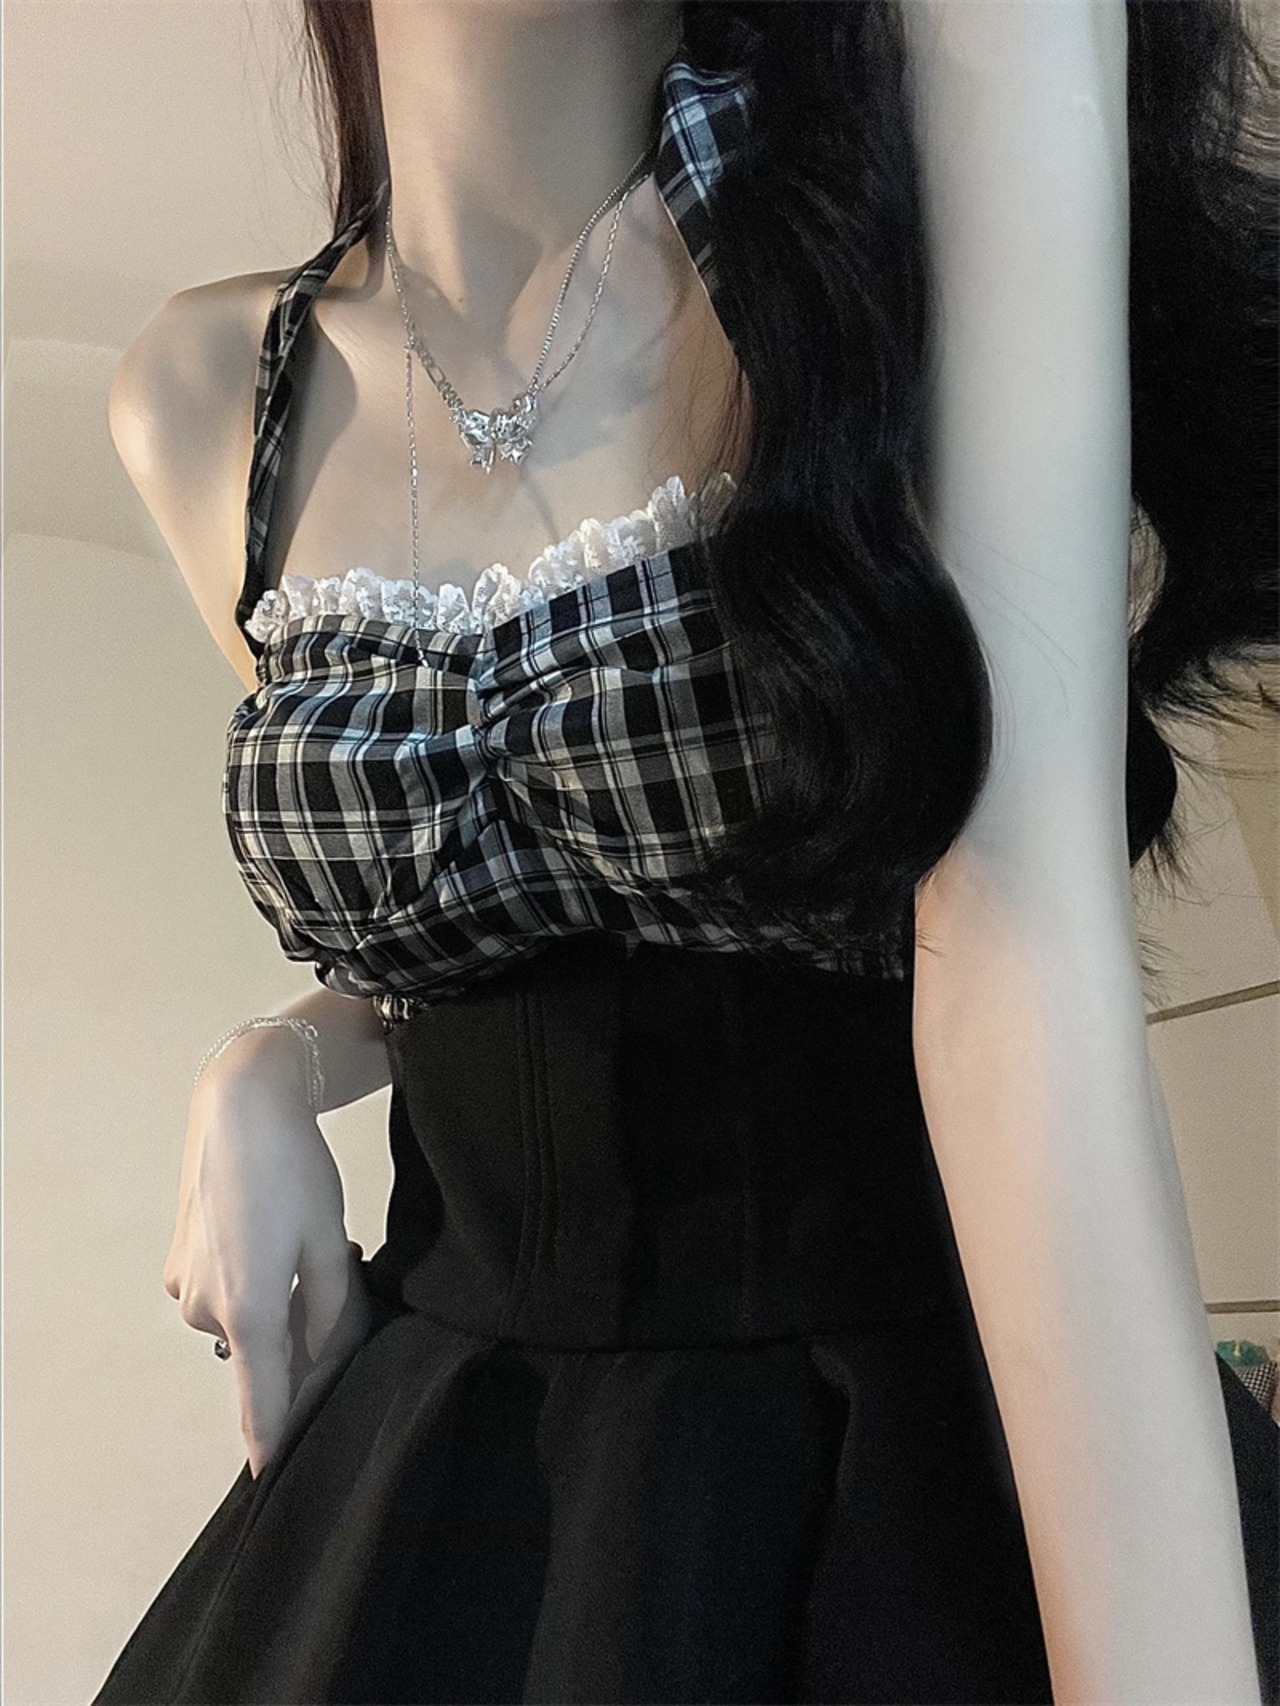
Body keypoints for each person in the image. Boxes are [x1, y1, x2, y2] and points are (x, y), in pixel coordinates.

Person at [94, 1, 1278, 1701]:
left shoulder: (891, 181)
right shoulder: (203, 394)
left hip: (896, 1440)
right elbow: (481, 896)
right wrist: (273, 1056)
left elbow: (1023, 959)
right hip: (452, 1463)